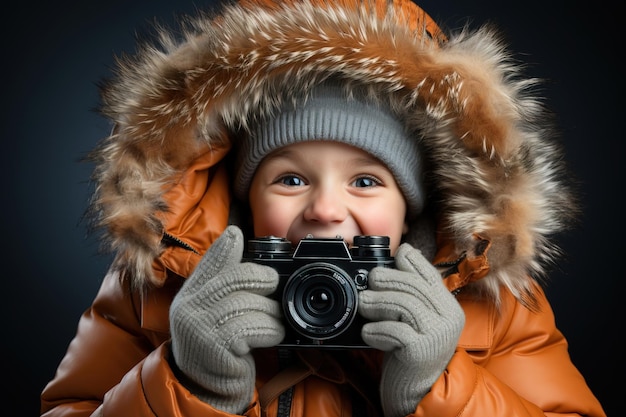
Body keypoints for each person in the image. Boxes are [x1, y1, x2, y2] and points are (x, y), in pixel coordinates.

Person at [40, 0, 606, 416]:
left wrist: (439, 388)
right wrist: (190, 381)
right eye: (290, 179)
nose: (326, 209)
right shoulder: (153, 289)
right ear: (244, 201)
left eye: (365, 180)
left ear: (413, 211)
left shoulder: (497, 304)